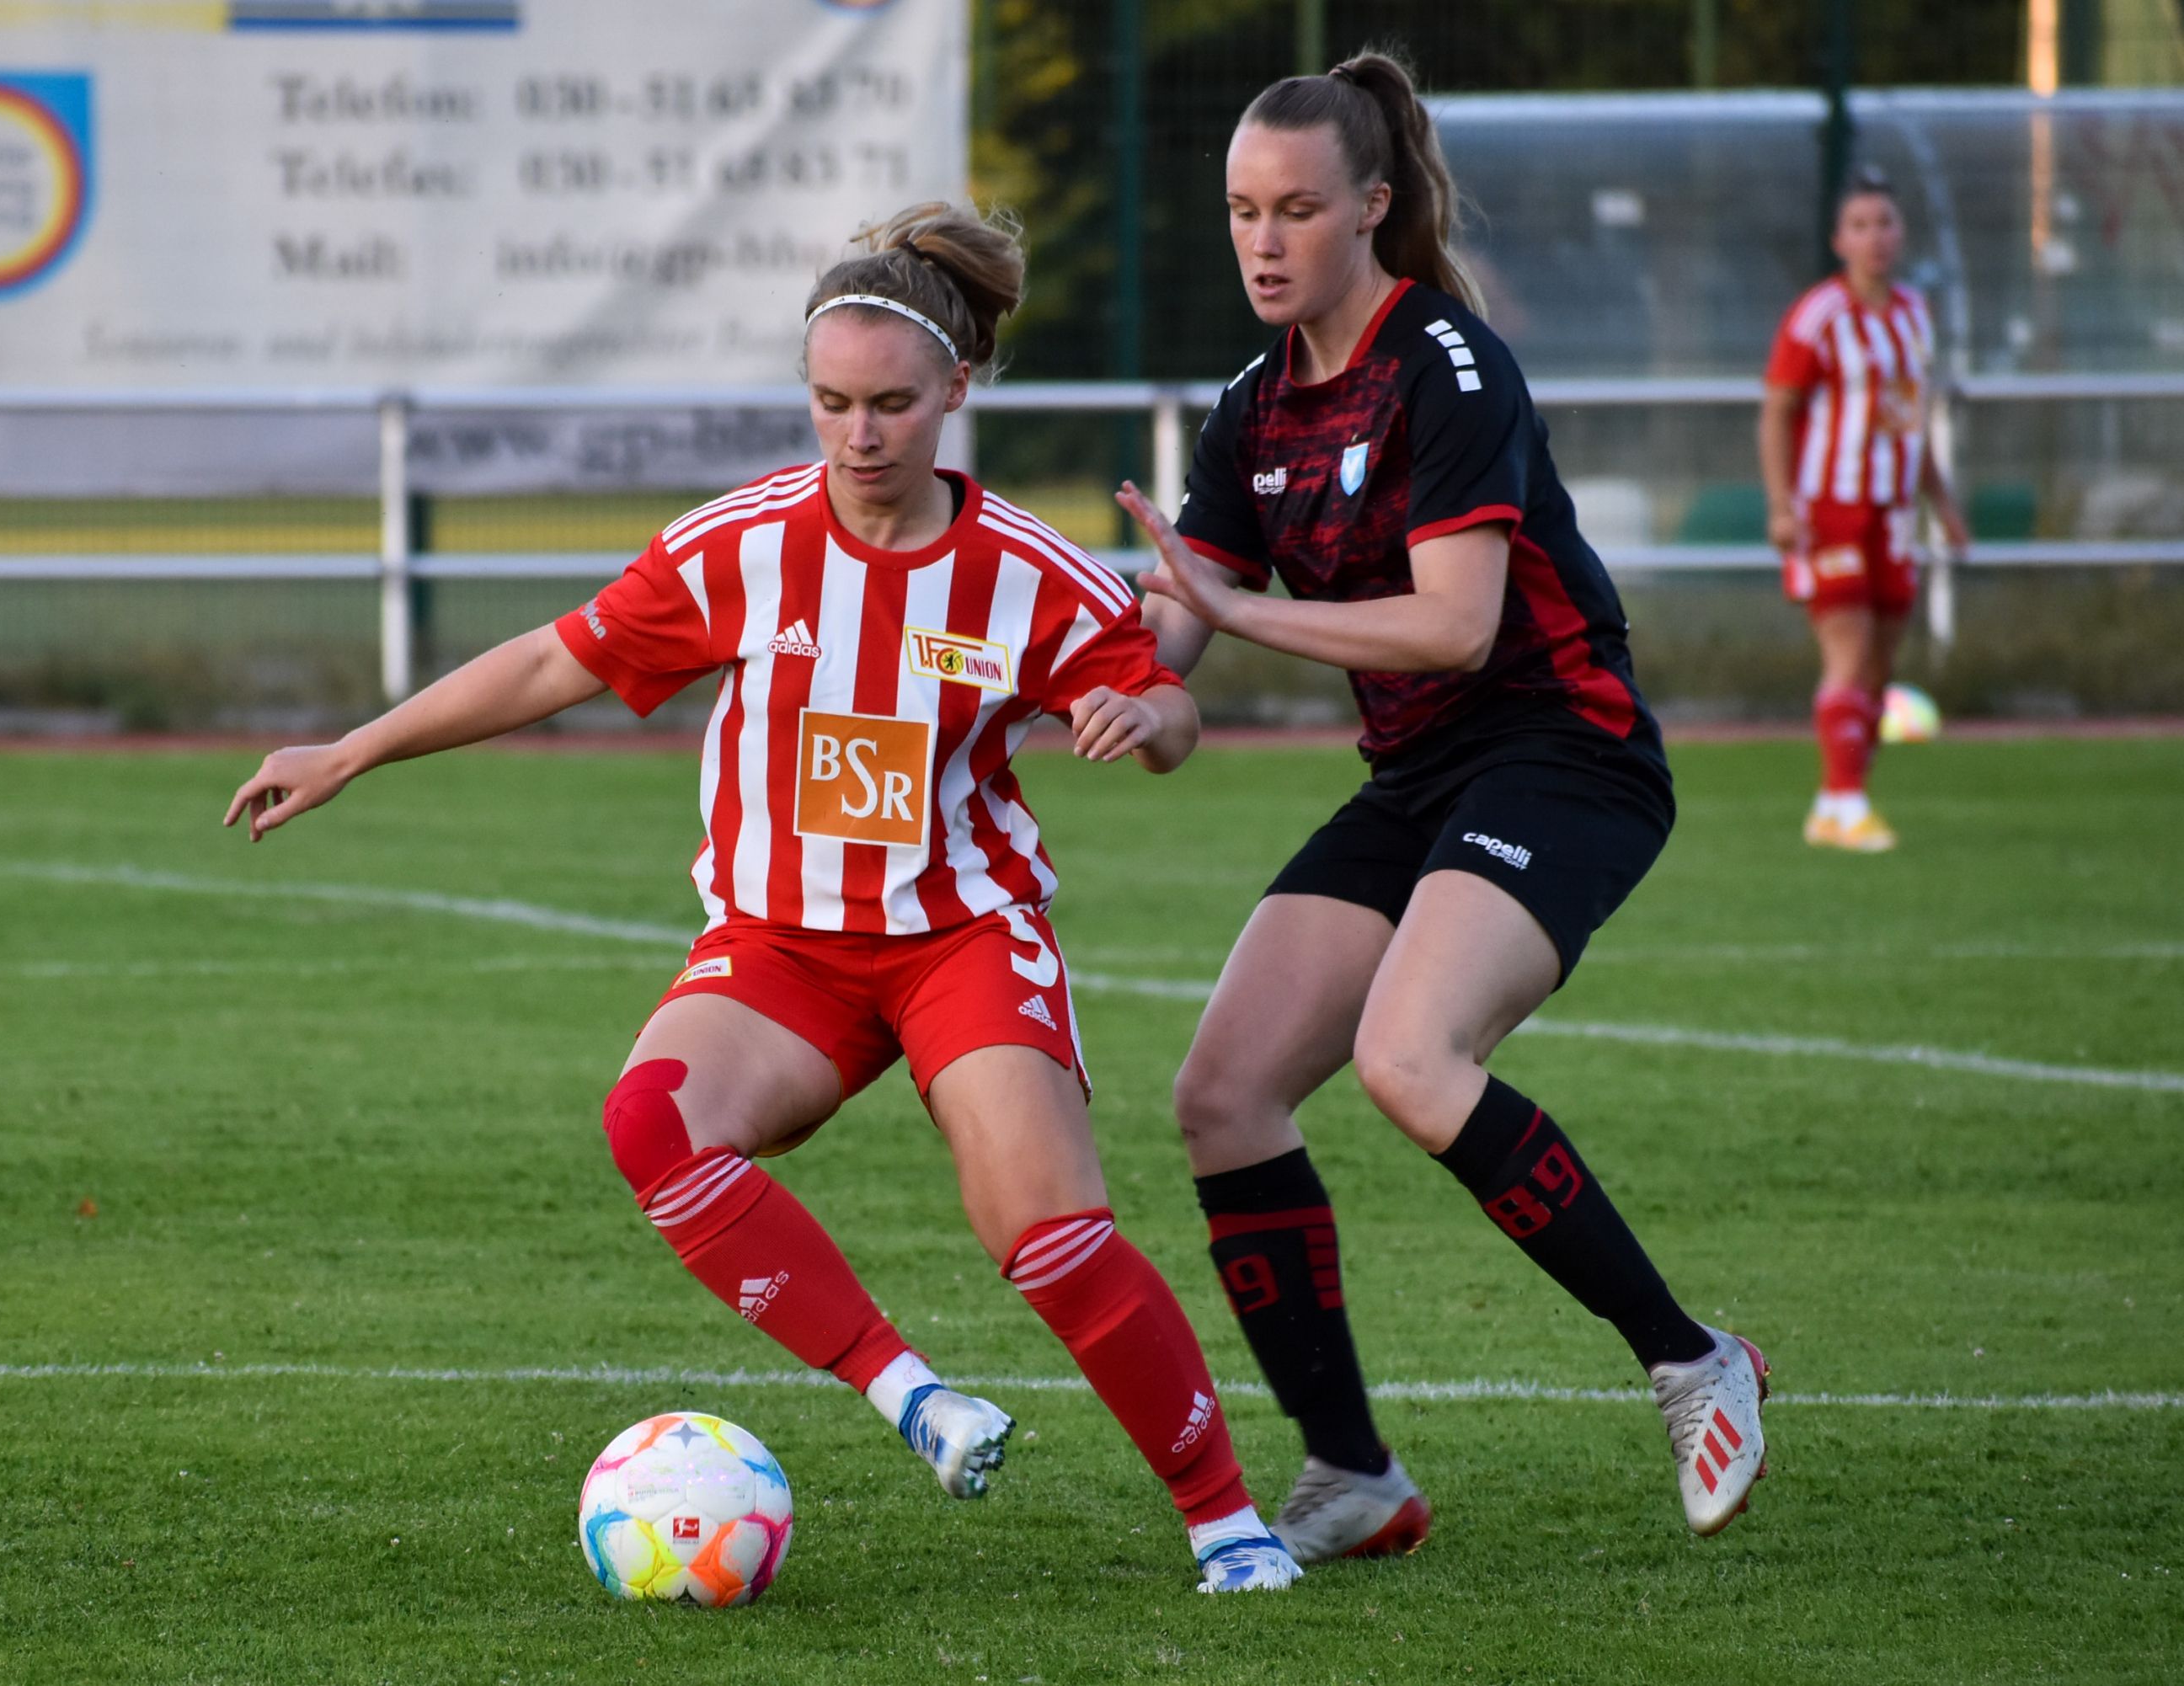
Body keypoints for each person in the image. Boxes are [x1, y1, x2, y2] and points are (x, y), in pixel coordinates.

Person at [222, 202, 1301, 1594]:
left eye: (893, 406)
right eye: (832, 404)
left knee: (1046, 1233)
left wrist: (1143, 723)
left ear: (956, 392)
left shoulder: (1028, 572)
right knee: (651, 1121)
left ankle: (1232, 1527)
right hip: (782, 948)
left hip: (961, 937)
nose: (860, 436)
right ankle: (913, 1394)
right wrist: (353, 748)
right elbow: (555, 663)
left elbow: (1158, 701)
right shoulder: (740, 545)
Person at [1114, 53, 1770, 1561]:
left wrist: (1237, 617)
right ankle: (1352, 1473)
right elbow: (1171, 663)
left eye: (1295, 209)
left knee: (1412, 1055)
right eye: (1238, 212)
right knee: (1222, 1096)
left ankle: (1692, 1356)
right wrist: (1114, 704)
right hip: (1420, 775)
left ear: (1373, 209)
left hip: (1561, 749)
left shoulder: (1448, 365)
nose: (1263, 241)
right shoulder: (1250, 410)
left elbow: (1456, 626)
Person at [1760, 167, 1972, 852]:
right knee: (1848, 655)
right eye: (1860, 225)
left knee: (1879, 669)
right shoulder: (1819, 315)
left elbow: (1908, 422)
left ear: (1900, 233)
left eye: (1885, 223)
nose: (1875, 237)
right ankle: (1847, 806)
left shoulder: (1913, 313)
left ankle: (1834, 802)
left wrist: (1943, 503)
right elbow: (1777, 413)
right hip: (1834, 509)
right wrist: (1782, 505)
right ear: (1838, 240)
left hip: (1896, 515)